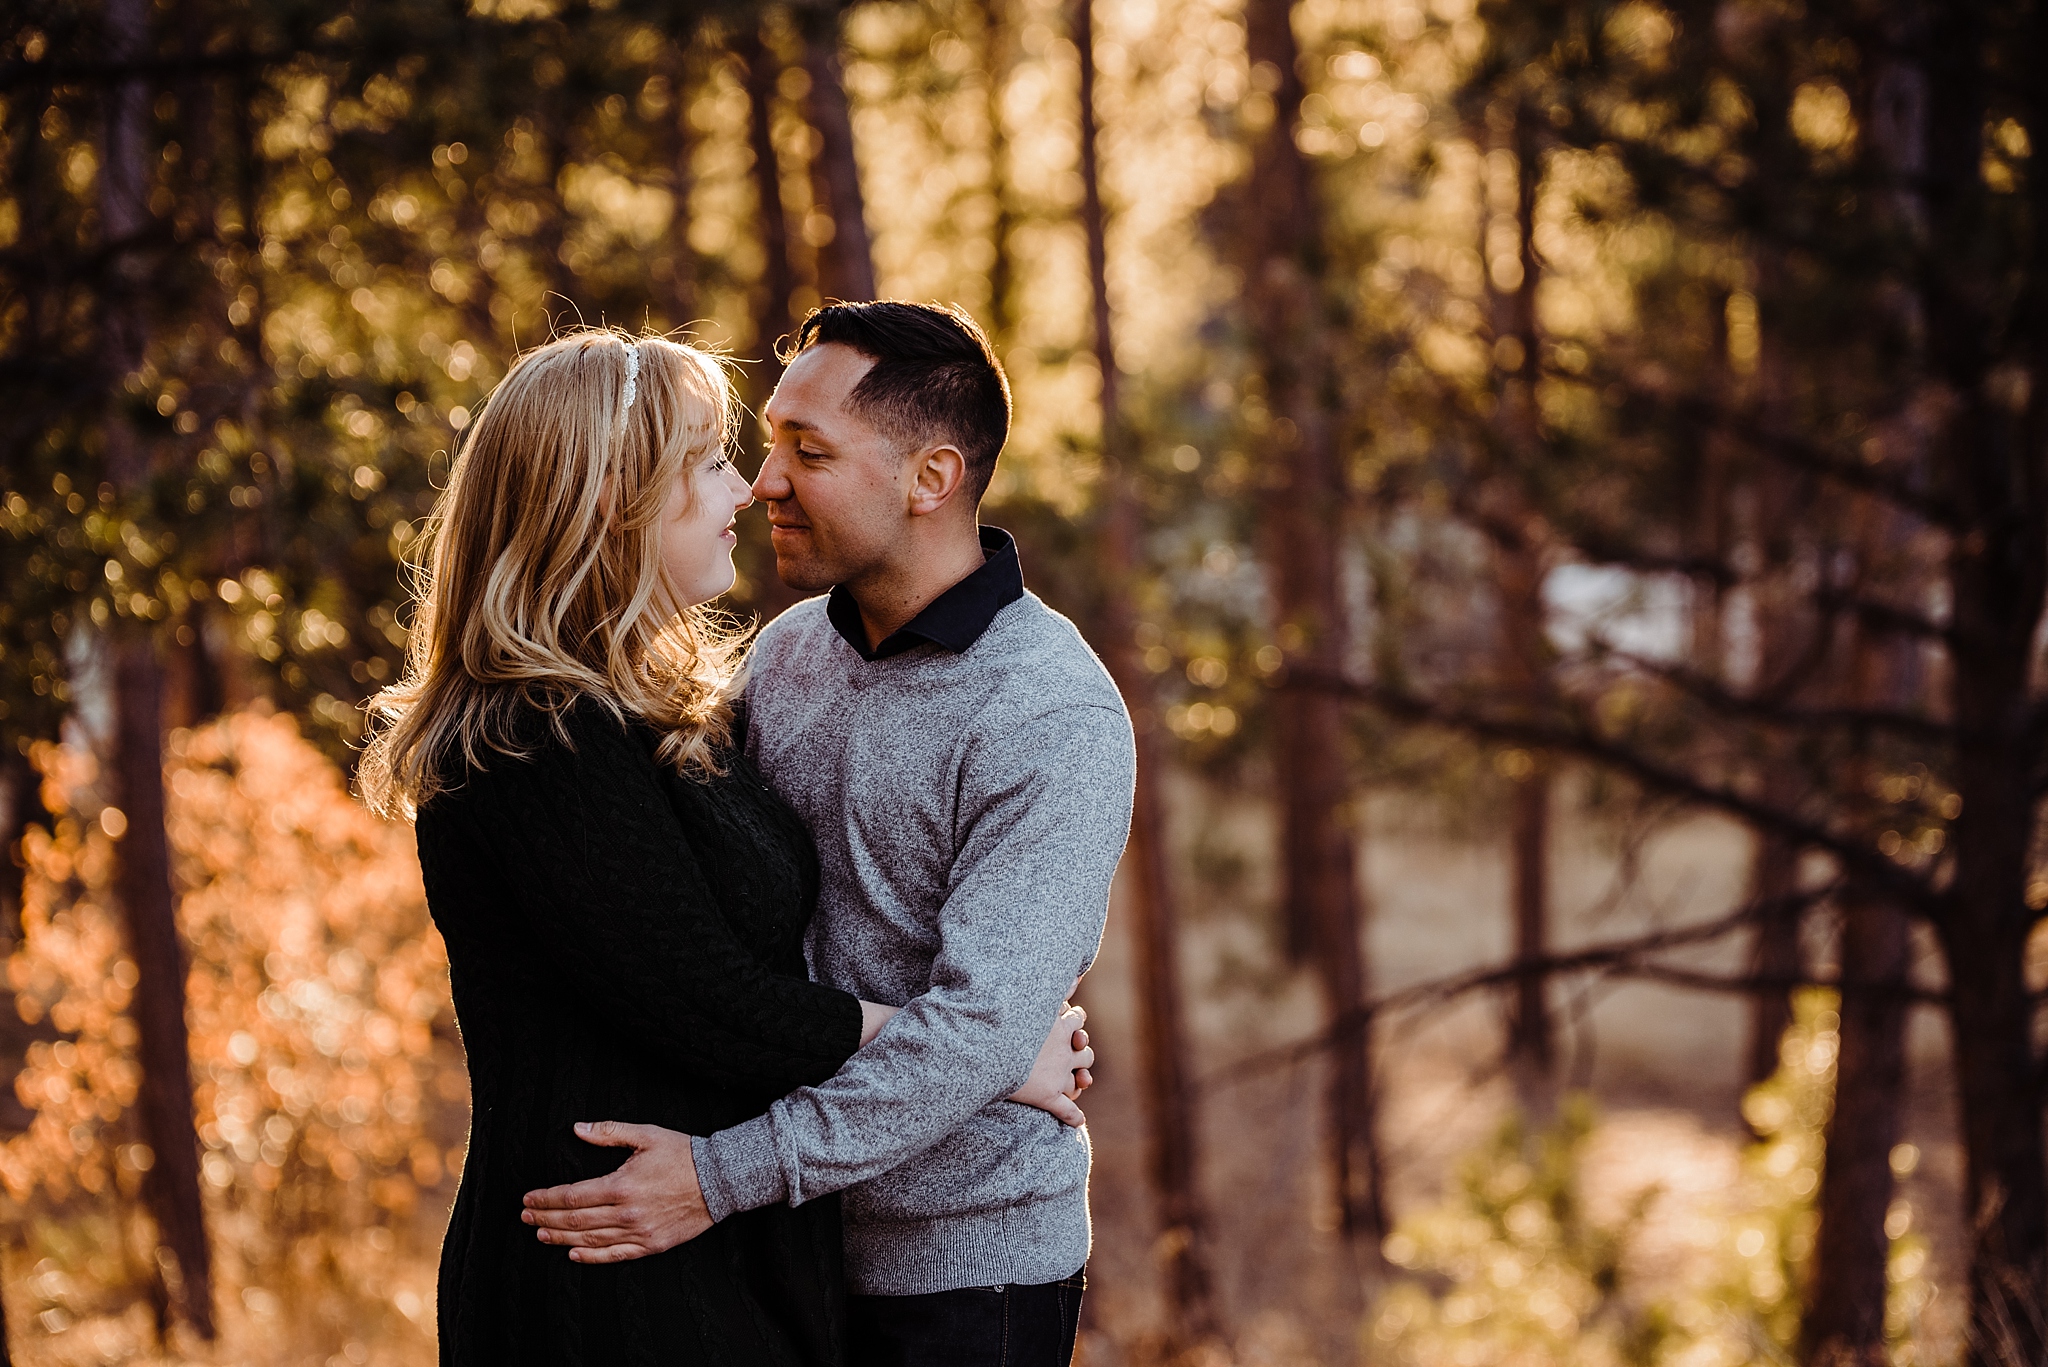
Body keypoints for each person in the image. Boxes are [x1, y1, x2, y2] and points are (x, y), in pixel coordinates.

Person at [355, 329, 1091, 1367]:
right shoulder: (542, 733)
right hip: (611, 1252)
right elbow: (711, 998)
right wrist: (994, 1053)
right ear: (610, 499)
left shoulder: (671, 712)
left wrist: (969, 1047)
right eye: (712, 460)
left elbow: (754, 961)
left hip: (784, 1250)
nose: (750, 487)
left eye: (800, 451)